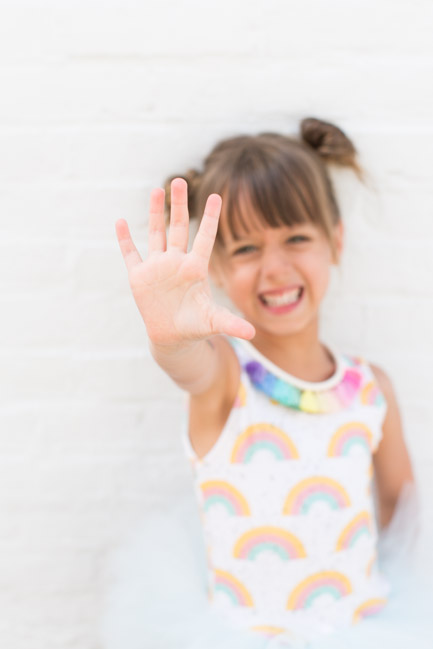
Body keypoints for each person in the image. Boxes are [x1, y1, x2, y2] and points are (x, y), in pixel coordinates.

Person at [101, 118, 433, 649]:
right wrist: (170, 339)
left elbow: (401, 503)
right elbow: (189, 364)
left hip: (362, 626)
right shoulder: (226, 378)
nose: (275, 268)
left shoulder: (372, 390)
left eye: (297, 238)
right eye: (246, 250)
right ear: (215, 269)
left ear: (336, 241)